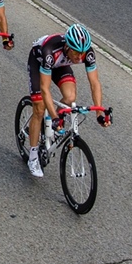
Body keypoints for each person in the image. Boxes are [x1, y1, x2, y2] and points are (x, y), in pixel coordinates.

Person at [25, 24, 111, 178]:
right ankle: (32, 156)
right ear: (67, 47)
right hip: (40, 62)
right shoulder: (50, 51)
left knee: (70, 97)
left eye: (82, 53)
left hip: (61, 65)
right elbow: (45, 89)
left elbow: (95, 83)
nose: (79, 58)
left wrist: (99, 112)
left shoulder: (86, 53)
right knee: (39, 107)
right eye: (77, 53)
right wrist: (55, 116)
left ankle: (50, 127)